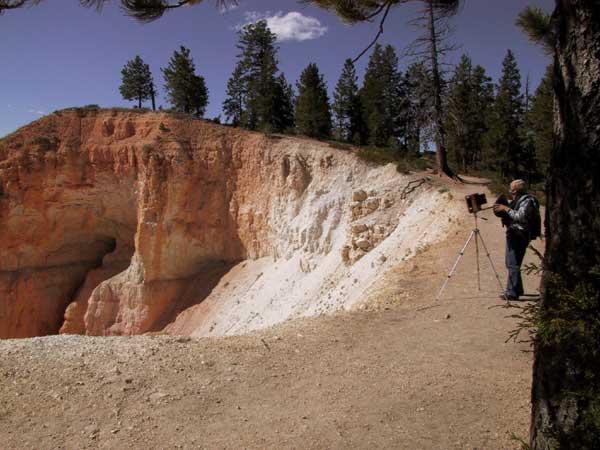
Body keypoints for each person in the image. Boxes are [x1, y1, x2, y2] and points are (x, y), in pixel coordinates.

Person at [493, 179, 537, 301]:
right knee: (513, 262)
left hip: (519, 234)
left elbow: (520, 216)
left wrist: (506, 209)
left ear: (517, 191)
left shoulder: (527, 201)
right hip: (516, 233)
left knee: (512, 263)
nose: (510, 192)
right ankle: (518, 289)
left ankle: (512, 293)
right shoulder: (522, 200)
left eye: (512, 190)